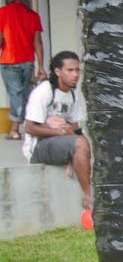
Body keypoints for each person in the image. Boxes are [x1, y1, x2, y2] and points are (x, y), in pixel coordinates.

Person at [23, 50, 92, 227]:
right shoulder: (44, 91)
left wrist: (71, 133)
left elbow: (75, 128)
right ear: (57, 71)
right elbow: (30, 127)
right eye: (70, 70)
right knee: (80, 143)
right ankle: (88, 197)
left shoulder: (74, 94)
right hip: (38, 147)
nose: (75, 74)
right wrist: (62, 132)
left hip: (60, 142)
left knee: (84, 142)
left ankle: (71, 162)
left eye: (77, 70)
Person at [0, 0, 47, 140]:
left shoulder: (2, 13)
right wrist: (41, 67)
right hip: (28, 62)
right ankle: (28, 126)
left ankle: (15, 129)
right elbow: (38, 42)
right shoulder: (33, 15)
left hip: (8, 61)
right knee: (23, 95)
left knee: (16, 94)